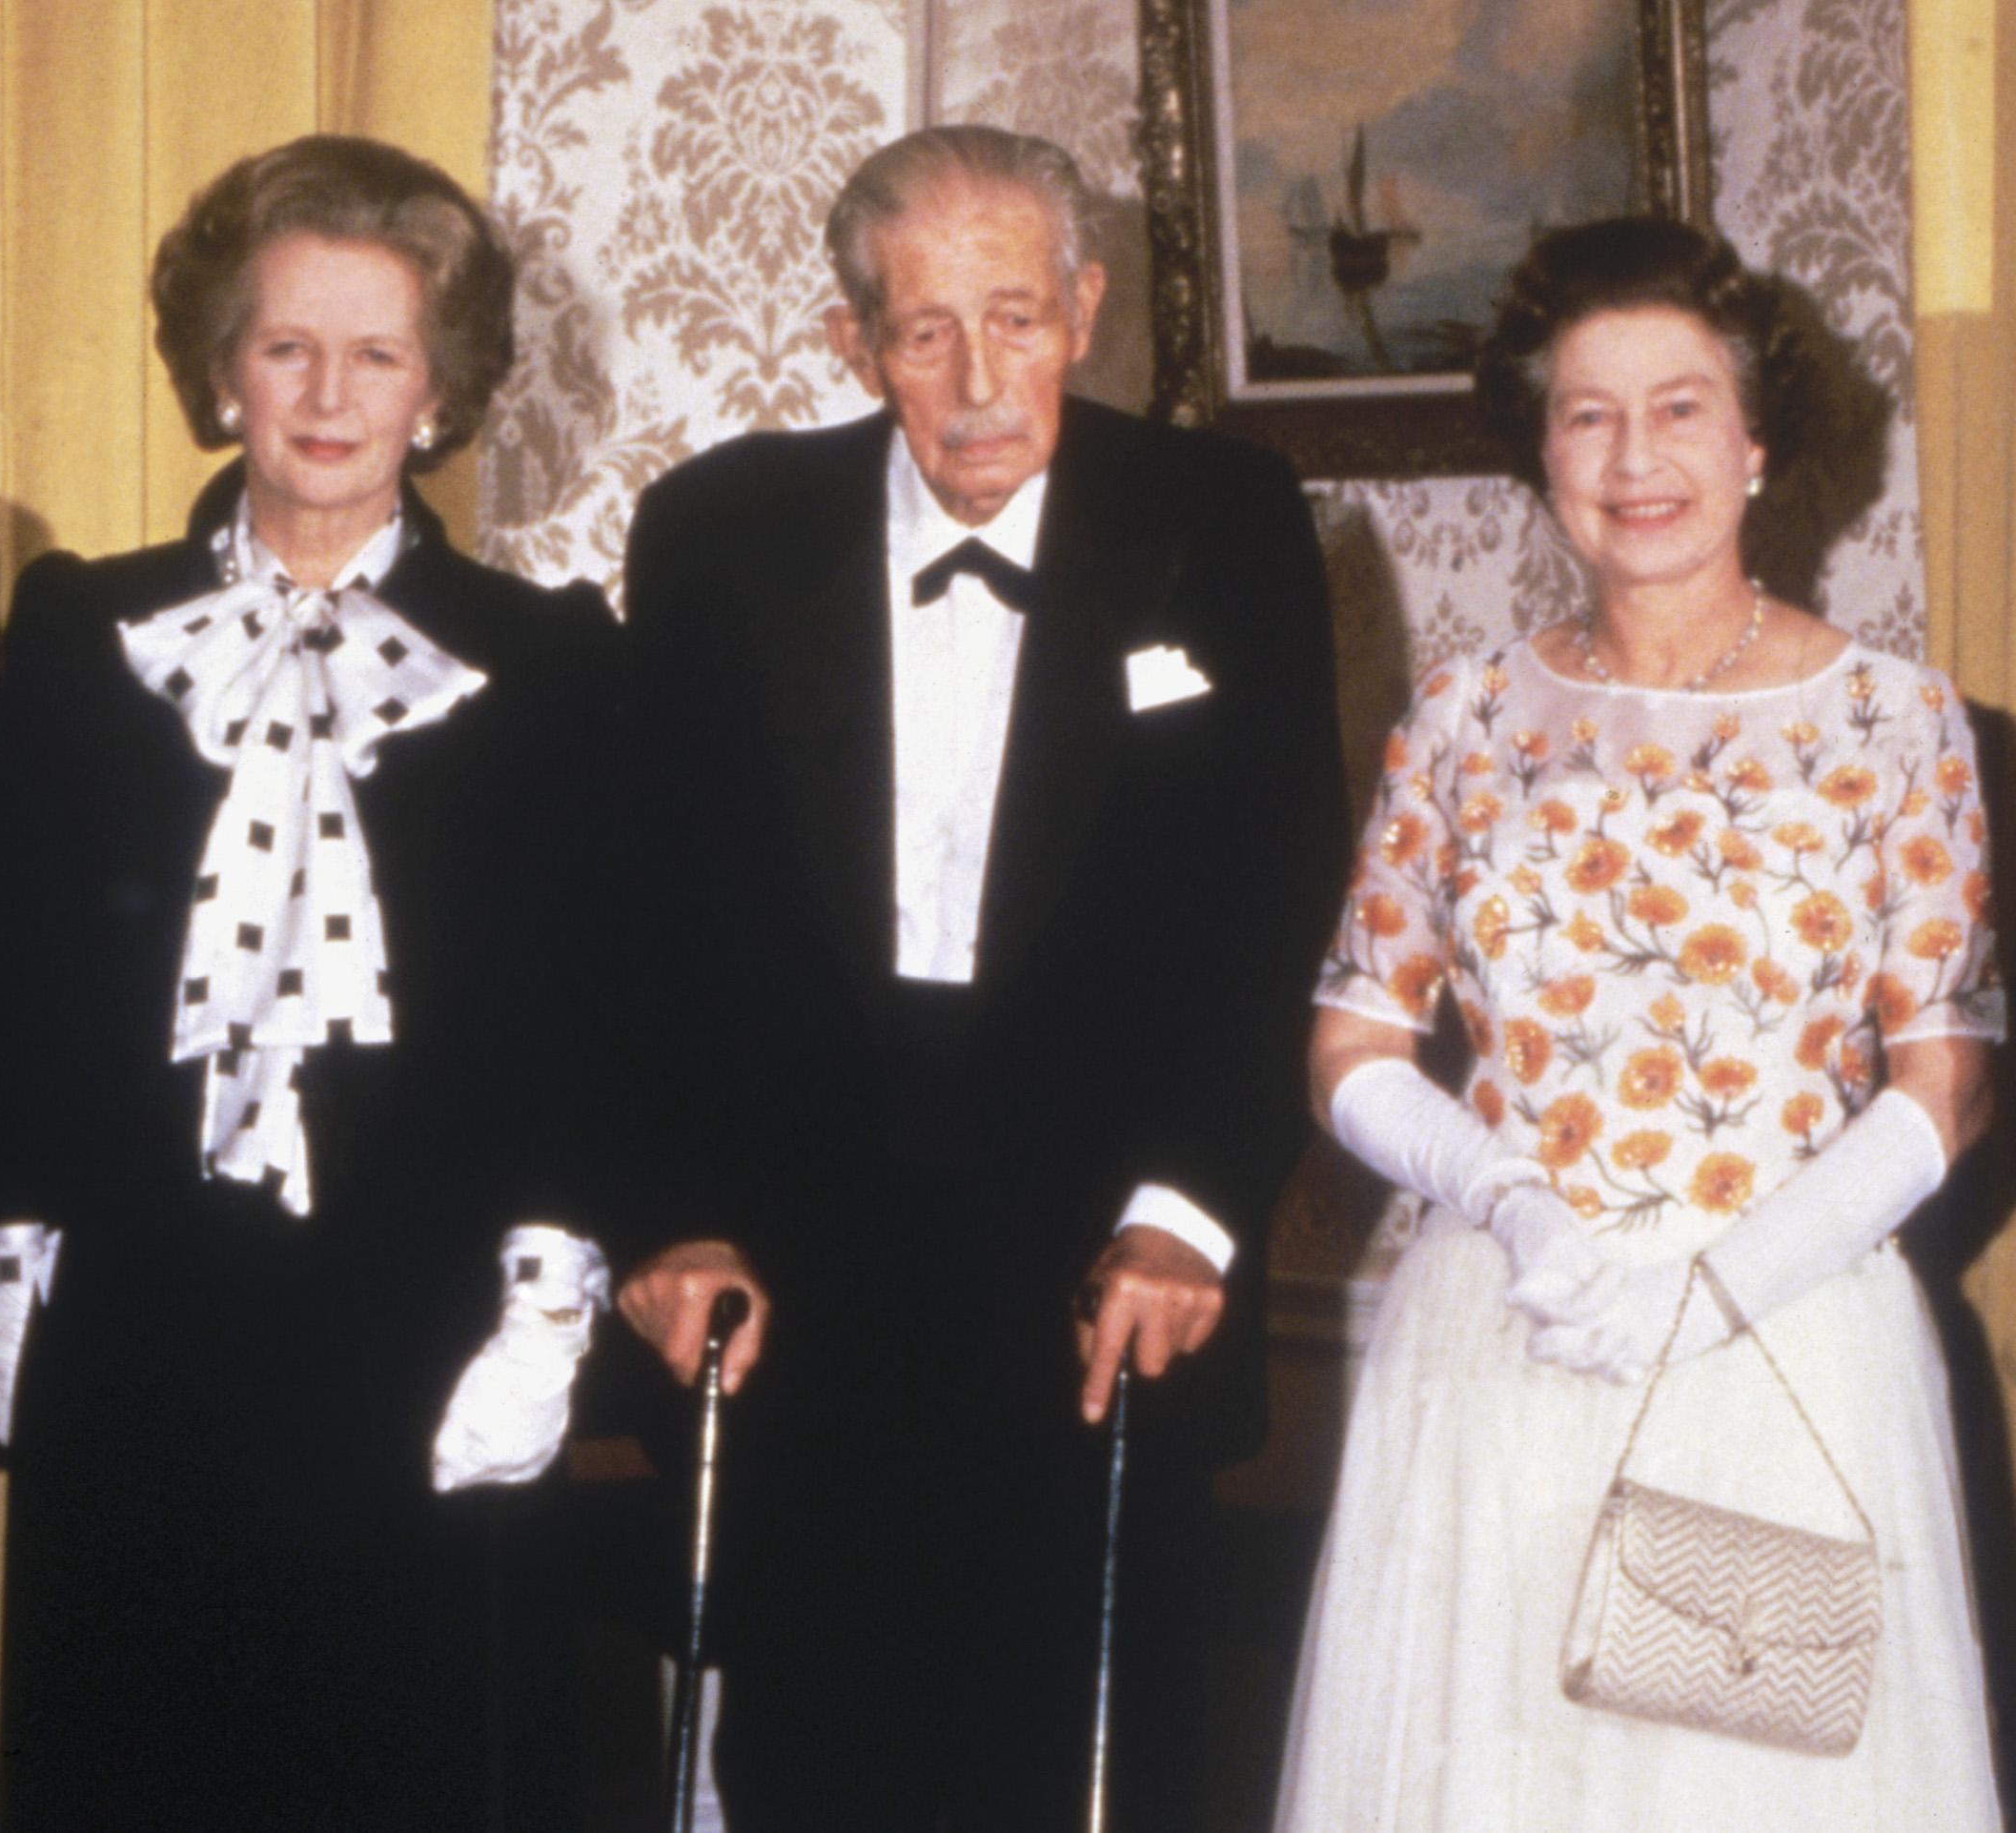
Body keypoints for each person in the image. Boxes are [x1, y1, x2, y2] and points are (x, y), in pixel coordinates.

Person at [615, 125, 1349, 1830]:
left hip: (1107, 1274)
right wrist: (674, 1214)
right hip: (802, 1277)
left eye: (1015, 317)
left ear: (1084, 310)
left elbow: (1276, 899)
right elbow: (645, 918)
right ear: (853, 342)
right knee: (809, 1760)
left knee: (1104, 1763)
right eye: (924, 329)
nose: (973, 378)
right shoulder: (718, 530)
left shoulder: (1220, 522)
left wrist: (1191, 1210)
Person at [1278, 216, 2005, 1830]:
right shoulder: (1462, 721)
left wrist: (1723, 1287)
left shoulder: (1894, 721)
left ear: (1756, 441)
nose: (1635, 455)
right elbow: (1353, 1046)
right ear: (1540, 451)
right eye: (1588, 413)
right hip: (1515, 1331)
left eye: (1680, 406)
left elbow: (1942, 1087)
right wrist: (1513, 1202)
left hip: (1788, 1326)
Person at [0, 135, 621, 1829]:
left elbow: (592, 1018)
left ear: (441, 389)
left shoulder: (552, 665)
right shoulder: (78, 634)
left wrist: (550, 1303)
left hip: (427, 1323)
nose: (327, 394)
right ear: (220, 374)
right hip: (140, 1317)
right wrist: (4, 1250)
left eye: (378, 353)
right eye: (285, 347)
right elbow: (10, 981)